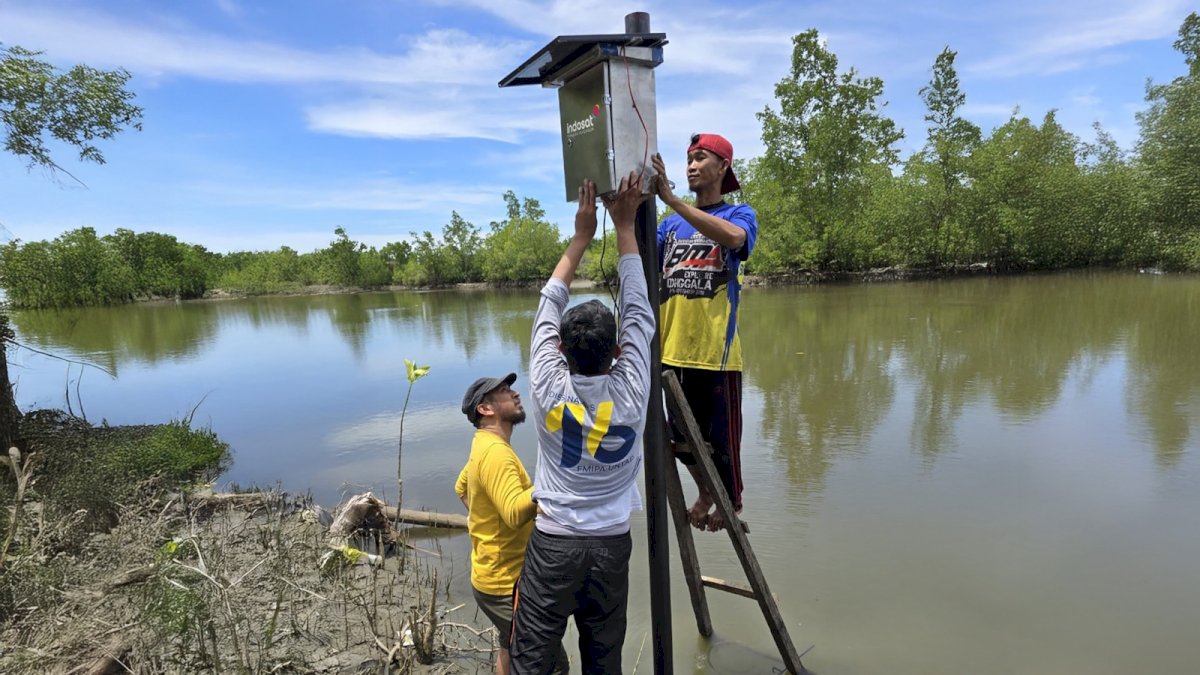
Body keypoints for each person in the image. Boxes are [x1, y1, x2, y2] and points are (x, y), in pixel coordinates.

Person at [508, 174, 653, 675]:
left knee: (532, 660)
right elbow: (637, 310)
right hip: (612, 547)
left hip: (554, 544)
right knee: (603, 660)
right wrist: (626, 228)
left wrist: (582, 236)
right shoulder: (632, 391)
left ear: (562, 351)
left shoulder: (549, 386)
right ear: (617, 353)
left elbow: (548, 304)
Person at [651, 133, 758, 533]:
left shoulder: (739, 214)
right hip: (672, 349)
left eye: (701, 158)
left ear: (723, 167)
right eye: (689, 159)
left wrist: (673, 200)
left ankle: (731, 500)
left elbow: (734, 241)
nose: (692, 165)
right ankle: (705, 492)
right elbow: (645, 260)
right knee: (681, 442)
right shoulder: (668, 225)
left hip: (716, 352)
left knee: (724, 444)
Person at [455, 373, 568, 675]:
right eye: (504, 391)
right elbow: (515, 513)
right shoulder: (495, 454)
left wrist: (485, 523)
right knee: (552, 665)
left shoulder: (483, 445)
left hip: (491, 577)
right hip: (507, 586)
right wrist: (553, 485)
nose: (515, 394)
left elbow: (461, 487)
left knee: (509, 646)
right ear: (485, 409)